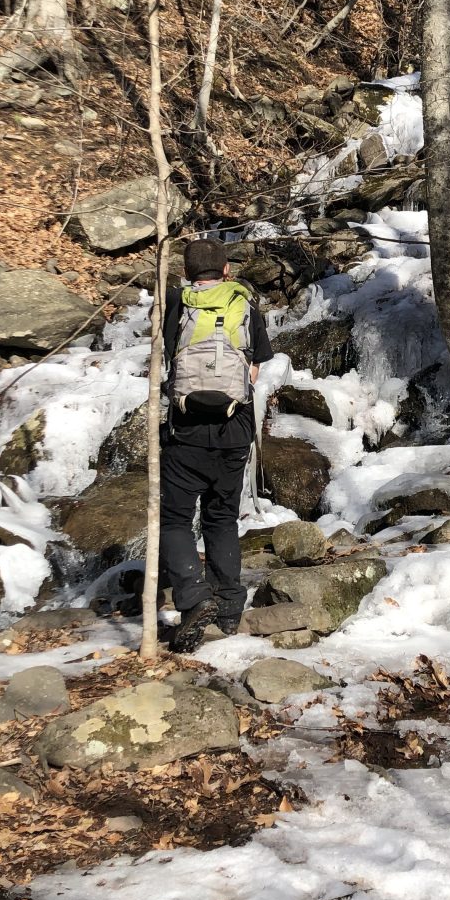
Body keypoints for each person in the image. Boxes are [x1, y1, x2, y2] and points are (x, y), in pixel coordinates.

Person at [161, 236, 274, 652]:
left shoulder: (178, 300)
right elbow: (256, 366)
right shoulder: (244, 302)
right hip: (233, 430)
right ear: (226, 270)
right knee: (221, 518)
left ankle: (192, 597)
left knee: (175, 519)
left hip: (186, 429)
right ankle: (228, 609)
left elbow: (165, 356)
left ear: (187, 273)